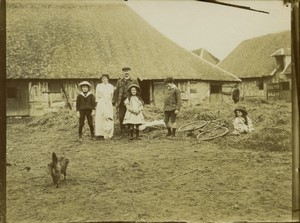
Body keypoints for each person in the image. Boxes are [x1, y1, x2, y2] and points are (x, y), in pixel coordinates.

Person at [113, 67, 139, 134]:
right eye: (124, 71)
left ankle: (130, 131)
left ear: (130, 71)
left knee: (130, 115)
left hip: (131, 101)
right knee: (121, 116)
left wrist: (137, 100)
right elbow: (116, 92)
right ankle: (122, 130)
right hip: (121, 101)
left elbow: (138, 91)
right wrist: (115, 102)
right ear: (123, 72)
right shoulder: (119, 81)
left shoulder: (134, 80)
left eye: (127, 71)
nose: (126, 72)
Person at [94, 74, 115, 140]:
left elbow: (112, 96)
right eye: (103, 78)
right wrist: (98, 102)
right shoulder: (99, 86)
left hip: (108, 102)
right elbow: (97, 96)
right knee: (100, 117)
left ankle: (109, 133)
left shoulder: (111, 86)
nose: (104, 80)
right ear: (101, 79)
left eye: (105, 78)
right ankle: (100, 133)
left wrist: (109, 102)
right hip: (101, 102)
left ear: (108, 79)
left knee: (109, 117)